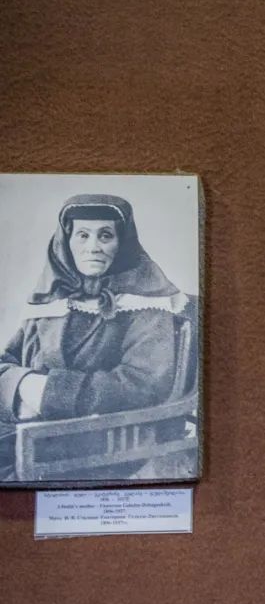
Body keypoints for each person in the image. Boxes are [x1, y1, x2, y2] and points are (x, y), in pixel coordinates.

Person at [0, 194, 191, 478]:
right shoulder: (53, 298)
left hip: (103, 442)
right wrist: (23, 386)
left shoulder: (146, 303)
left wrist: (46, 393)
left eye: (105, 235)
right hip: (32, 428)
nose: (93, 247)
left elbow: (143, 386)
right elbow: (6, 361)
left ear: (122, 242)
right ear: (66, 242)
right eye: (82, 235)